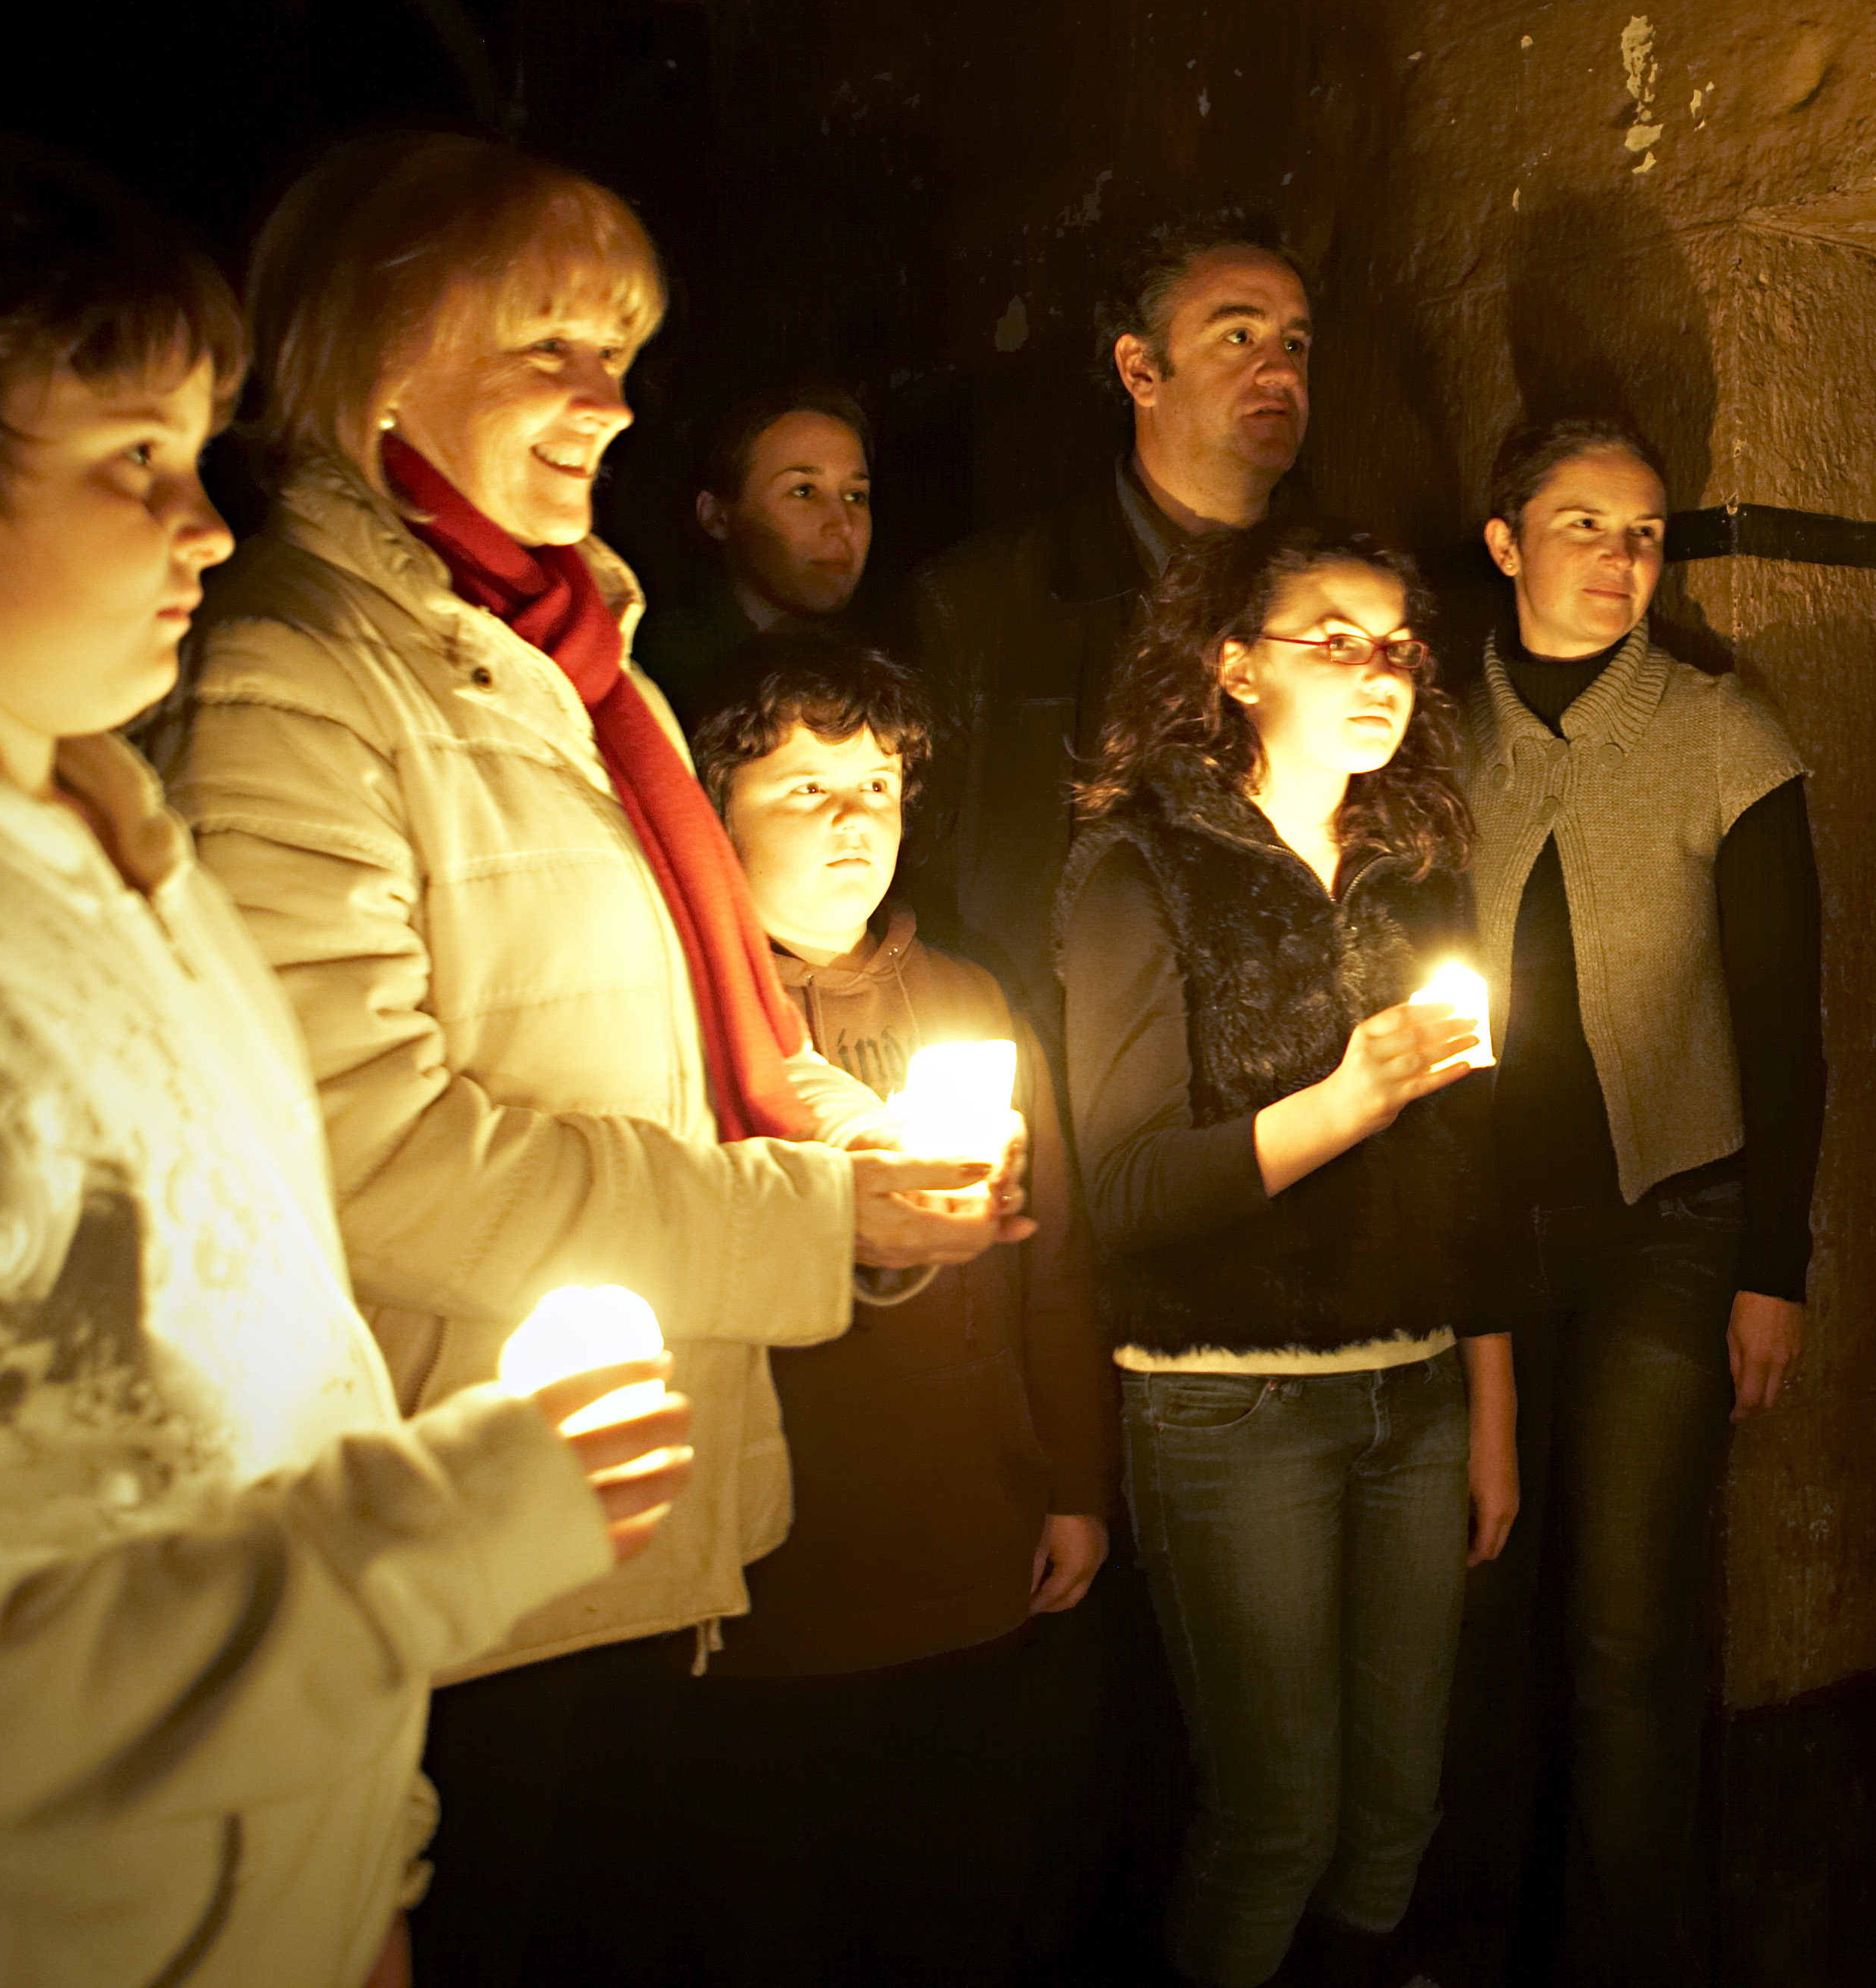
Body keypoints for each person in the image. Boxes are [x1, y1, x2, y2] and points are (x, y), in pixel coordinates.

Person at [0, 131, 679, 1988]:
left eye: (197, 451)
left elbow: (223, 1398)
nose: (204, 524)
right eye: (129, 462)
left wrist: (360, 1862)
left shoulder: (115, 854)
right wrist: (434, 1540)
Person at [158, 131, 1012, 1986]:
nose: (610, 397)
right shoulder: (298, 678)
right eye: (552, 339)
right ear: (375, 344)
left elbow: (685, 1030)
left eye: (623, 344)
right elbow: (361, 1146)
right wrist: (808, 1215)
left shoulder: (575, 667)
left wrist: (867, 1166)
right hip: (457, 1528)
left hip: (628, 1505)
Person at [1055, 521, 1520, 1988]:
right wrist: (1347, 1096)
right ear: (1237, 665)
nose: (1377, 670)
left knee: (1396, 1814)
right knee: (1277, 1817)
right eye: (1336, 637)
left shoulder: (1413, 866)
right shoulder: (1140, 864)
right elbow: (1125, 1189)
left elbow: (1467, 1171)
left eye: (1398, 646)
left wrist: (1486, 1402)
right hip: (1231, 1400)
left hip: (1416, 1391)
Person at [1435, 416, 1824, 1987]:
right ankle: (1474, 1939)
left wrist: (1773, 1262)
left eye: (1646, 531)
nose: (1618, 558)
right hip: (1481, 1228)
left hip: (1671, 1222)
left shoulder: (1723, 728)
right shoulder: (1434, 729)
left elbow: (1788, 1016)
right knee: (1480, 1606)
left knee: (1624, 1627)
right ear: (1504, 538)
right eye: (1583, 523)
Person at [672, 638, 1119, 1984]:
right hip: (777, 1585)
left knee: (954, 1898)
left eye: (878, 784)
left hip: (970, 1548)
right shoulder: (683, 1021)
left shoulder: (971, 1000)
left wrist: (1071, 1479)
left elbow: (1051, 1264)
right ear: (715, 813)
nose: (855, 820)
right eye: (806, 788)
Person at [910, 217, 1313, 1018]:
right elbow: (928, 880)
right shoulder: (987, 604)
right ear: (1141, 369)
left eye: (1297, 345)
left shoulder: (1356, 604)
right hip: (1067, 1078)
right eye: (1238, 335)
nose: (1279, 370)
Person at [631, 384, 876, 700]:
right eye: (804, 491)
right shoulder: (662, 672)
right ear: (717, 516)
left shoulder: (865, 667)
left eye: (856, 496)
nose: (842, 523)